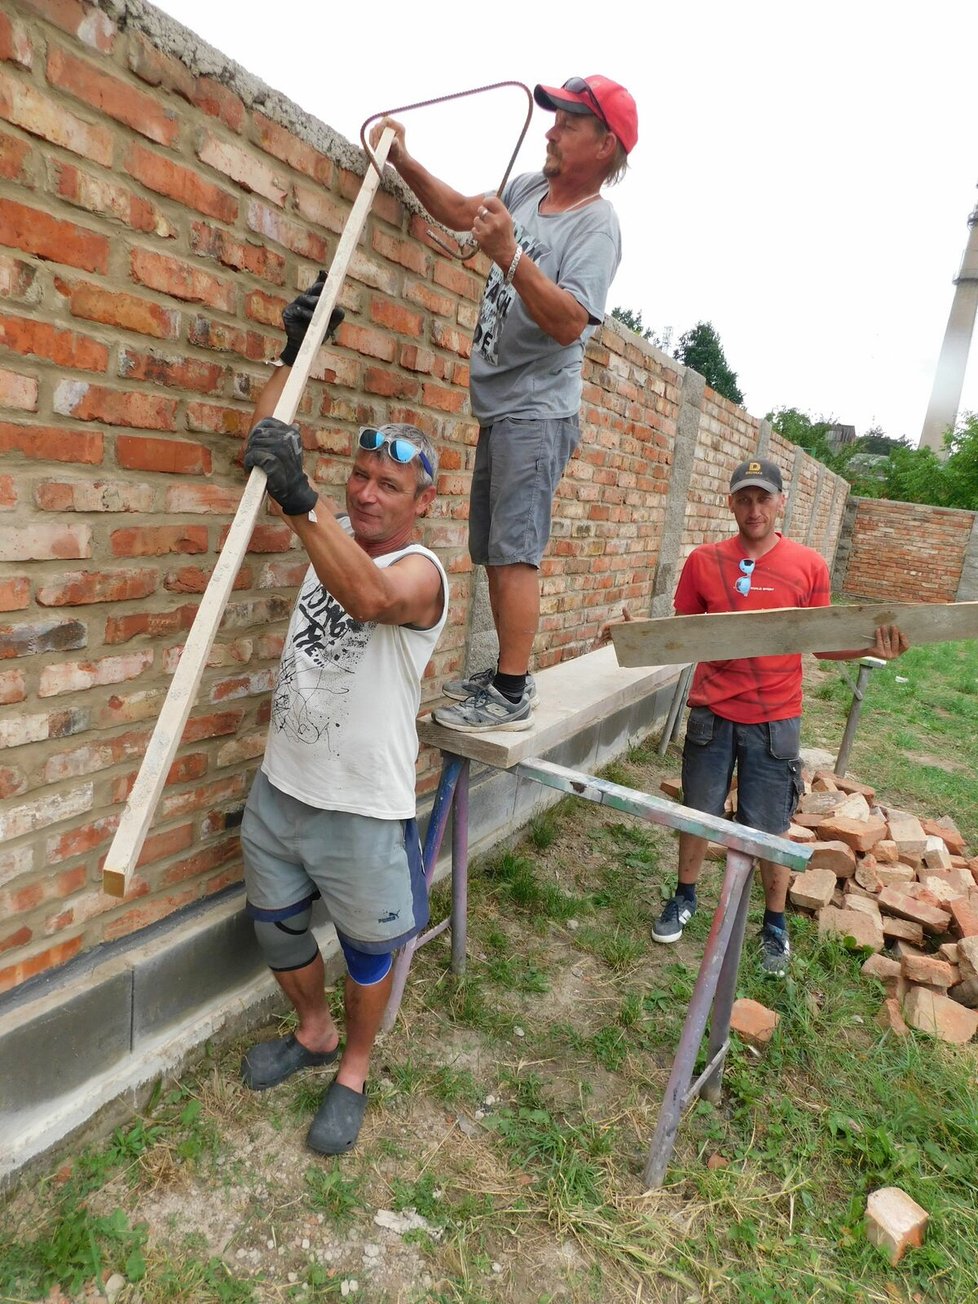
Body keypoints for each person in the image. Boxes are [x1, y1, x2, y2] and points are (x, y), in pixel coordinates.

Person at [237, 276, 448, 1155]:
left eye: (387, 485)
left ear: (421, 501)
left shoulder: (423, 572)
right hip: (282, 787)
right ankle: (314, 1031)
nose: (364, 494)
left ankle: (354, 1066)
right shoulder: (328, 530)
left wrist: (302, 498)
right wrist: (293, 354)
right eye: (357, 477)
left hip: (362, 806)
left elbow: (366, 600)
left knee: (369, 948)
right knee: (276, 924)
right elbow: (264, 448)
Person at [370, 75, 638, 731]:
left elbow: (572, 321)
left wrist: (511, 256)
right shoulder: (527, 190)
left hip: (538, 410)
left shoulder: (597, 226)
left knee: (516, 550)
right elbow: (464, 211)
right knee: (494, 547)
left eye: (569, 123)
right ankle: (503, 679)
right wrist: (402, 161)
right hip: (503, 403)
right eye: (554, 119)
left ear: (604, 145)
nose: (550, 129)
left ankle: (514, 692)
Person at [650, 456, 908, 977]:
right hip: (712, 711)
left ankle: (773, 925)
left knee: (768, 827)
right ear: (730, 503)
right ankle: (683, 896)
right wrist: (642, 636)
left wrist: (872, 645)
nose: (753, 509)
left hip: (774, 720)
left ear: (780, 503)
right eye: (743, 498)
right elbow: (682, 631)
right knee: (698, 812)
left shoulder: (807, 565)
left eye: (762, 498)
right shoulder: (703, 560)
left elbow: (821, 645)